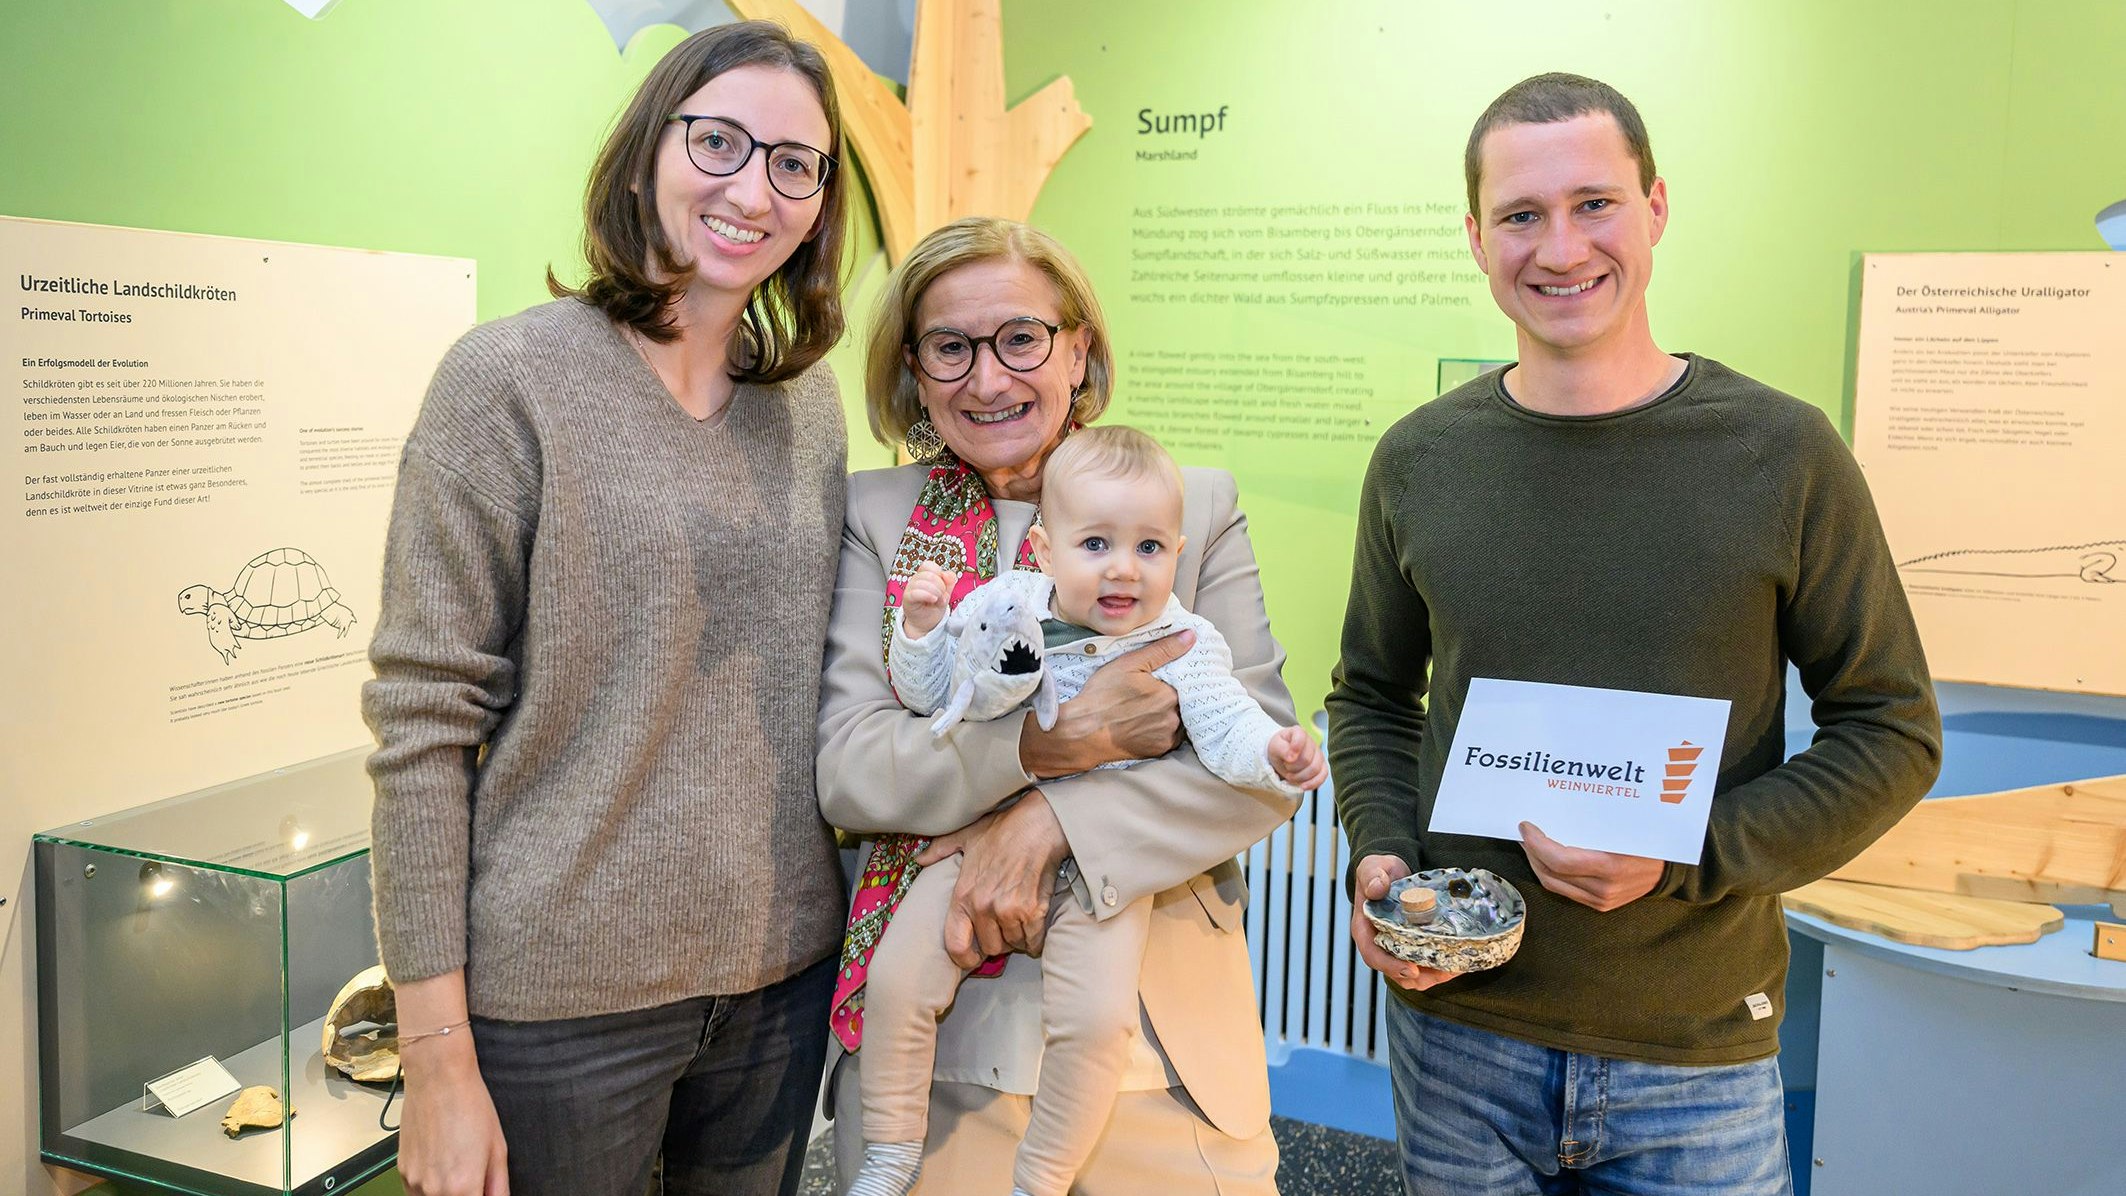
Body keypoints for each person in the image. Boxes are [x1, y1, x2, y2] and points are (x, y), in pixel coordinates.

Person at [1326, 73, 1942, 1195]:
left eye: (1592, 203)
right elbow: (1369, 694)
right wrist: (1380, 849)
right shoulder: (1417, 460)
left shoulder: (1783, 453)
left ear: (1655, 205)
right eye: (1520, 215)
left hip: (1694, 1054)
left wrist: (1690, 850)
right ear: (1475, 238)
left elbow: (1890, 730)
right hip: (1460, 1035)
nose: (1558, 247)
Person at [362, 22, 850, 1196]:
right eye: (719, 140)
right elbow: (422, 723)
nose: (754, 188)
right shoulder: (506, 381)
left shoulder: (811, 407)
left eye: (796, 163)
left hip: (780, 987)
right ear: (645, 155)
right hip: (559, 1011)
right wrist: (434, 1060)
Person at [818, 216, 1299, 1195]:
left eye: (1020, 339)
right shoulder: (872, 516)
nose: (987, 379)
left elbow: (1251, 776)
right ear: (913, 368)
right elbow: (852, 767)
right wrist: (1046, 747)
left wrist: (1043, 821)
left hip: (1160, 1062)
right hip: (936, 1061)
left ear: (1076, 347)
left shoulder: (1187, 509)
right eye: (950, 347)